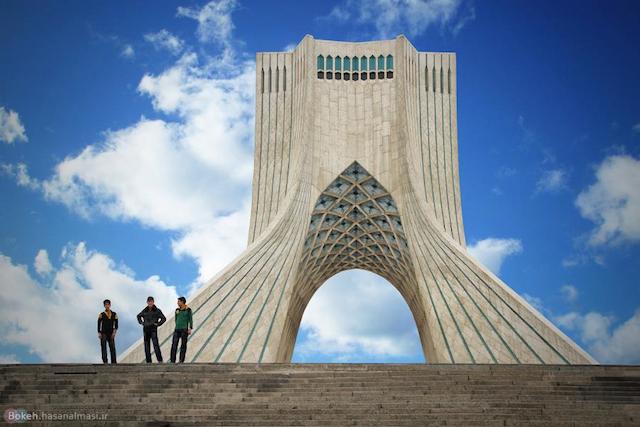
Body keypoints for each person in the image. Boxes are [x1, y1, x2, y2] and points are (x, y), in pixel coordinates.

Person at [137, 296, 167, 363]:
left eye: (151, 301)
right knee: (147, 346)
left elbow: (164, 318)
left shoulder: (157, 310)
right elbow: (138, 316)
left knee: (155, 345)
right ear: (147, 302)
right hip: (146, 330)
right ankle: (148, 361)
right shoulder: (145, 310)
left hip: (153, 330)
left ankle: (160, 360)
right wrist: (141, 322)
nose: (150, 302)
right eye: (149, 301)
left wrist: (158, 324)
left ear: (153, 302)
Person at [170, 296, 193, 363]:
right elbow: (176, 319)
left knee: (183, 345)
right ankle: (172, 360)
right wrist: (177, 325)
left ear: (182, 302)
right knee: (174, 345)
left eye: (178, 301)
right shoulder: (177, 310)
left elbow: (190, 319)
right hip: (177, 329)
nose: (177, 303)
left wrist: (190, 328)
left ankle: (181, 360)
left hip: (184, 329)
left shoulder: (188, 310)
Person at [97, 299, 118, 364]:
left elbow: (116, 324)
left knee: (112, 347)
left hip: (111, 333)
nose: (107, 306)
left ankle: (114, 362)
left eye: (108, 304)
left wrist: (114, 332)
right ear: (104, 306)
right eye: (105, 304)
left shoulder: (114, 314)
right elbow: (98, 323)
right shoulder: (101, 314)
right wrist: (99, 332)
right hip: (103, 333)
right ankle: (105, 361)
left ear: (110, 305)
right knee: (103, 347)